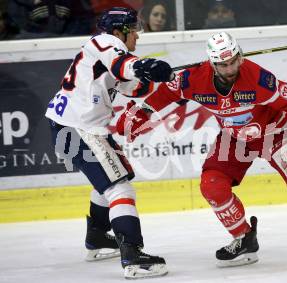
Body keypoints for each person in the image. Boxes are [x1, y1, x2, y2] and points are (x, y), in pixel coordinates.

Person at [116, 31, 287, 267]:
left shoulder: (257, 79)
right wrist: (144, 111)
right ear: (212, 64)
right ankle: (244, 238)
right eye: (223, 65)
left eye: (234, 61)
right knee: (212, 186)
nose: (230, 69)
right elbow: (167, 94)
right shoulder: (194, 78)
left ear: (240, 56)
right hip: (234, 139)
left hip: (276, 134)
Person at [45, 7, 174, 279]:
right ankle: (133, 256)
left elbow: (133, 86)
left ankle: (97, 237)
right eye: (133, 33)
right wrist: (143, 65)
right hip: (79, 127)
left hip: (73, 126)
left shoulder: (106, 56)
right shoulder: (104, 42)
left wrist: (166, 76)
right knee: (119, 188)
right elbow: (125, 66)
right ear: (118, 32)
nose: (137, 37)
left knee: (113, 179)